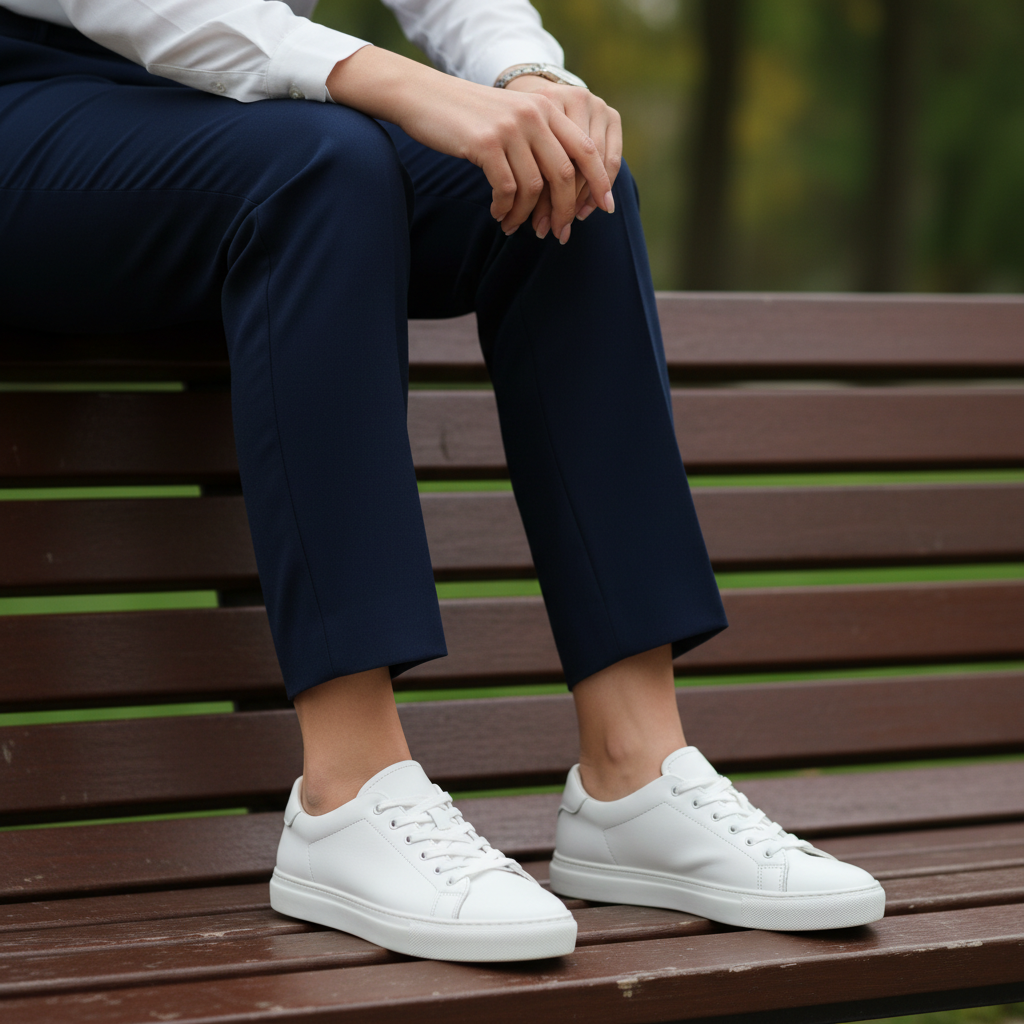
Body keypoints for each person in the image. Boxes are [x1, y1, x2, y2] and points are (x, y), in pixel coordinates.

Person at [0, 0, 885, 964]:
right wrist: (408, 85)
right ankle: (347, 795)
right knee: (320, 167)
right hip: (32, 101)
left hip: (208, 104)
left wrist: (523, 78)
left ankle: (634, 773)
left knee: (573, 180)